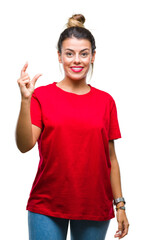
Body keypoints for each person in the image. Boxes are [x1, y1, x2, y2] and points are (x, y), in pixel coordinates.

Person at [15, 13, 129, 240]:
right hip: (46, 204)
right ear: (59, 56)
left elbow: (111, 160)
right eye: (69, 53)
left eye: (83, 54)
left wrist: (120, 205)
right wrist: (25, 101)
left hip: (94, 205)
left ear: (93, 56)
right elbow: (24, 145)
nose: (76, 60)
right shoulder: (42, 96)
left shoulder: (106, 101)